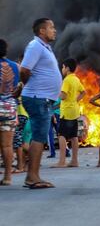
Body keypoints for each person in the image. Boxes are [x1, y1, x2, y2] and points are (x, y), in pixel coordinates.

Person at [20, 18, 62, 189]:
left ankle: (34, 175)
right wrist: (26, 84)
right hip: (38, 98)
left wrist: (23, 86)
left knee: (39, 136)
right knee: (38, 137)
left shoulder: (44, 47)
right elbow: (24, 69)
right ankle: (32, 177)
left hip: (42, 98)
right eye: (51, 27)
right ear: (42, 31)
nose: (55, 30)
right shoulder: (35, 46)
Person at [51, 58, 85, 168]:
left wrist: (56, 94)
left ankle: (62, 162)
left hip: (66, 112)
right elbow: (83, 92)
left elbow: (63, 95)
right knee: (74, 136)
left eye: (63, 67)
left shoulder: (66, 80)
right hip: (75, 110)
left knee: (61, 135)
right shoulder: (76, 79)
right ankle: (74, 161)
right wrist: (75, 100)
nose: (62, 69)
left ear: (67, 68)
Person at [0, 39, 20, 185]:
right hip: (9, 108)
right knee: (7, 145)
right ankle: (7, 177)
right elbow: (20, 88)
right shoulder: (16, 67)